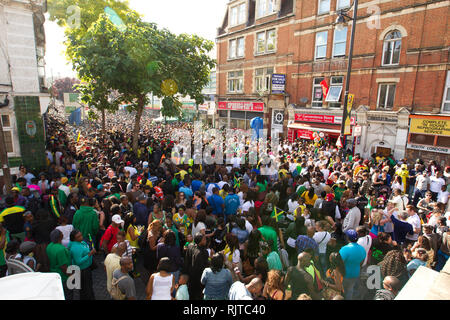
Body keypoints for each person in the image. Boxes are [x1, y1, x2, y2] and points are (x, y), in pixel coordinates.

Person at [68, 229, 96, 300]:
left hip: (85, 268)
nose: (81, 237)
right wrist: (89, 254)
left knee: (85, 287)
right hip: (82, 270)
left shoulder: (80, 242)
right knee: (86, 288)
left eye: (81, 235)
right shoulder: (75, 248)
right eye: (78, 236)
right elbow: (78, 262)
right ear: (74, 239)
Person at [339, 229, 366, 300]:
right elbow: (362, 262)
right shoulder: (362, 249)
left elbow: (339, 262)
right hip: (355, 273)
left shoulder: (345, 249)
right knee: (350, 291)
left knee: (343, 292)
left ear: (347, 238)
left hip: (344, 274)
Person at [184, 232, 211, 300]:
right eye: (204, 239)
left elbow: (187, 260)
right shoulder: (202, 252)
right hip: (198, 278)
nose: (205, 241)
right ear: (200, 242)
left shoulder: (190, 245)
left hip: (190, 276)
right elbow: (202, 268)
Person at [46, 229, 72, 299]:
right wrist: (71, 275)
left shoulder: (49, 246)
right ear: (60, 237)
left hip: (54, 274)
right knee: (68, 295)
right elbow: (63, 267)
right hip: (63, 277)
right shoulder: (61, 250)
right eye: (61, 233)